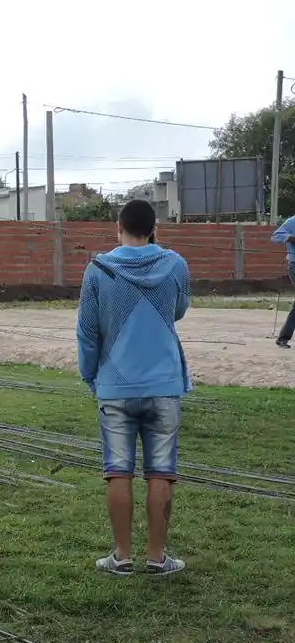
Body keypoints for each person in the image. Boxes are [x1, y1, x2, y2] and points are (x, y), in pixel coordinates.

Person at [76, 198, 191, 577]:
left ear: (118, 228)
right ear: (154, 228)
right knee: (161, 472)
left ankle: (122, 556)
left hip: (115, 386)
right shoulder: (175, 264)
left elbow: (88, 332)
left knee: (118, 471)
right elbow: (179, 309)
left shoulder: (97, 270)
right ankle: (158, 558)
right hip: (164, 385)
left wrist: (90, 375)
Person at [269, 214, 295, 349]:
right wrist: (291, 238)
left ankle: (283, 337)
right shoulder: (292, 221)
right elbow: (275, 236)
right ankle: (283, 337)